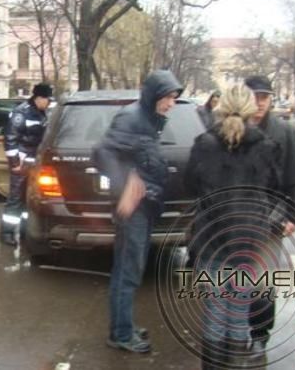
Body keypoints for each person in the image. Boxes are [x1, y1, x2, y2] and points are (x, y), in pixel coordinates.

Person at [186, 85, 284, 369]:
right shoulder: (267, 147)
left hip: (213, 239)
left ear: (221, 107)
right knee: (239, 314)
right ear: (251, 109)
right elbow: (274, 189)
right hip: (249, 242)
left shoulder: (204, 144)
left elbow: (190, 184)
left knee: (215, 313)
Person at [92, 69, 183, 353]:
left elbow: (136, 155)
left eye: (174, 98)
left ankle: (124, 325)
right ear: (154, 94)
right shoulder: (131, 117)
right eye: (168, 97)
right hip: (134, 210)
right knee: (128, 271)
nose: (171, 104)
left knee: (131, 269)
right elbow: (102, 153)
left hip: (146, 205)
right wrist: (125, 185)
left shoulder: (149, 119)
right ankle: (120, 334)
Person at [244, 75, 295, 361]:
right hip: (237, 217)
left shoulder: (283, 132)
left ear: (270, 100)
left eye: (264, 98)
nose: (259, 103)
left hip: (271, 218)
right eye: (255, 97)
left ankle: (259, 335)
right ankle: (232, 331)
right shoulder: (233, 128)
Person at [1, 83, 52, 245]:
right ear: (39, 98)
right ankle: (7, 232)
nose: (49, 102)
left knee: (28, 199)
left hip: (34, 161)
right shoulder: (21, 113)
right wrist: (15, 163)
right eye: (47, 99)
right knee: (16, 198)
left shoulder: (42, 113)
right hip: (22, 162)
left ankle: (23, 230)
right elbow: (10, 139)